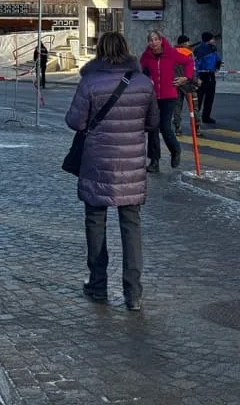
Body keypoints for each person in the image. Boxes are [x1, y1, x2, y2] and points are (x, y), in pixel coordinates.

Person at [66, 32, 158, 312]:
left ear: (99, 51)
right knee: (131, 227)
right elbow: (152, 122)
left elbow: (75, 121)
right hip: (131, 166)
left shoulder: (90, 82)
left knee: (95, 222)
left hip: (97, 163)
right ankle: (134, 293)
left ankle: (98, 285)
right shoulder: (143, 82)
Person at [139, 30, 191, 172]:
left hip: (169, 95)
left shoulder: (171, 53)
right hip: (153, 97)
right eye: (150, 40)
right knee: (153, 127)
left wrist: (185, 78)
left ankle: (175, 150)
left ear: (161, 40)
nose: (153, 42)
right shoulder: (146, 57)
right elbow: (140, 71)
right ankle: (154, 161)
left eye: (156, 39)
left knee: (164, 126)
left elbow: (188, 62)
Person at [192, 32, 223, 129]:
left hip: (211, 75)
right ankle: (196, 118)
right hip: (203, 75)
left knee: (210, 96)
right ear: (208, 39)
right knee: (200, 97)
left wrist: (217, 65)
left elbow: (218, 58)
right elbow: (196, 64)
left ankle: (206, 116)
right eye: (212, 39)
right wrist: (196, 78)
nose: (214, 40)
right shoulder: (200, 50)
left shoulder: (213, 49)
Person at [172, 35, 195, 133]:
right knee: (193, 106)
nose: (189, 44)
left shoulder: (171, 52)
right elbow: (192, 69)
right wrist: (195, 81)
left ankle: (178, 127)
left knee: (177, 106)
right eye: (187, 42)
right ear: (183, 43)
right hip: (187, 82)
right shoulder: (189, 53)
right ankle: (196, 127)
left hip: (176, 82)